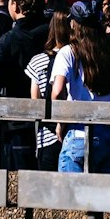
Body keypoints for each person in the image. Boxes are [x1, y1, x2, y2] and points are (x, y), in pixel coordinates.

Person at [51, 11, 110, 173]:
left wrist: (61, 121)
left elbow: (57, 92)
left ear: (74, 24)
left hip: (79, 131)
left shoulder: (69, 52)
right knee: (104, 187)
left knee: (71, 188)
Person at [26, 12, 74, 169]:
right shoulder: (77, 57)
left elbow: (35, 101)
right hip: (75, 132)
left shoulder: (38, 60)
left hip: (47, 136)